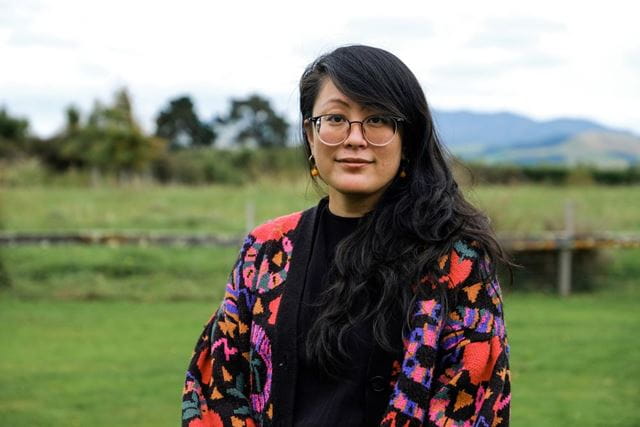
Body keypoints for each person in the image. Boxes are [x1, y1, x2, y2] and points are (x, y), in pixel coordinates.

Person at [181, 45, 510, 427]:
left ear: (407, 138)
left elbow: (470, 402)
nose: (355, 138)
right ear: (310, 134)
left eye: (377, 119)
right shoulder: (266, 249)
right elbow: (218, 387)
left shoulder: (454, 259)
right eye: (336, 118)